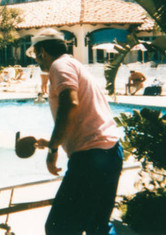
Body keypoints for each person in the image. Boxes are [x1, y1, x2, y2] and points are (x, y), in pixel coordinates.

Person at [26, 28, 123, 235]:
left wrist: (53, 150)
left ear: (42, 51)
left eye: (36, 56)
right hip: (111, 152)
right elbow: (81, 115)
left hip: (91, 157)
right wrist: (54, 141)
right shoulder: (74, 64)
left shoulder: (59, 66)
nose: (37, 61)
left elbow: (70, 103)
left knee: (59, 227)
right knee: (97, 226)